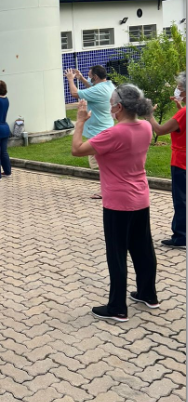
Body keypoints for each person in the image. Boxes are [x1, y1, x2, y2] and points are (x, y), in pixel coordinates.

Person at [71, 86, 159, 323]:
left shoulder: (113, 134)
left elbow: (76, 150)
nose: (110, 107)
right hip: (141, 198)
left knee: (117, 254)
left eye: (111, 103)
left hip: (118, 202)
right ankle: (148, 294)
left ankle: (117, 307)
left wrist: (80, 121)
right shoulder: (146, 127)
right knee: (143, 248)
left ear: (119, 107)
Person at [147, 72, 186, 248]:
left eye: (179, 87)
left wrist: (149, 115)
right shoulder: (183, 112)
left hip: (181, 162)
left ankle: (181, 236)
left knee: (181, 199)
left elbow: (161, 130)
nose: (177, 90)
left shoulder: (183, 113)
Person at [65, 65, 115, 199]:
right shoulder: (109, 86)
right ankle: (109, 189)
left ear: (96, 77)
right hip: (106, 128)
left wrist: (70, 79)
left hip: (98, 132)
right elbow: (93, 89)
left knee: (101, 165)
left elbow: (75, 93)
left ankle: (105, 191)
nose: (88, 77)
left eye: (89, 75)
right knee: (105, 163)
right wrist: (81, 78)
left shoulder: (99, 90)